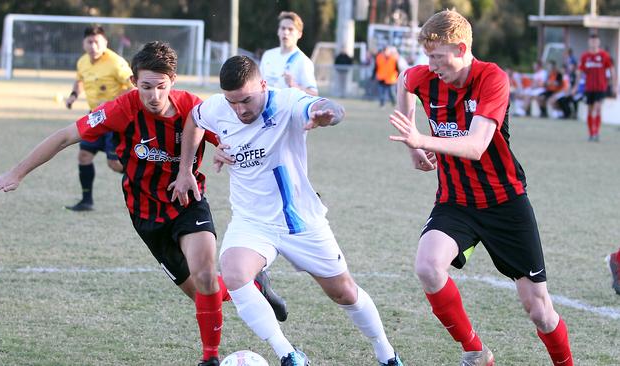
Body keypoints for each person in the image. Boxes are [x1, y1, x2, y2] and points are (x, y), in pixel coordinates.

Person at [0, 41, 286, 366]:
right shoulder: (121, 109)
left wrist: (226, 147)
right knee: (203, 295)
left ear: (173, 81)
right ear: (133, 82)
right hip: (146, 216)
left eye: (161, 86)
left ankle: (209, 358)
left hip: (187, 202)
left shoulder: (193, 109)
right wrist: (17, 173)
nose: (154, 95)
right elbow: (65, 136)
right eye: (146, 87)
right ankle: (252, 283)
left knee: (207, 275)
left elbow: (231, 135)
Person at [171, 55, 404, 366]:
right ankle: (289, 355)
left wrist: (325, 114)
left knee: (344, 292)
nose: (240, 110)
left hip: (300, 221)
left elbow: (332, 108)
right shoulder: (217, 107)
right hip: (252, 221)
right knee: (234, 271)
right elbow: (193, 120)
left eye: (246, 100)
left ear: (264, 85)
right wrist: (186, 169)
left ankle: (386, 352)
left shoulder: (287, 102)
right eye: (232, 102)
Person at [389, 10, 573, 365]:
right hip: (456, 201)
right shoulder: (425, 77)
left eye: (438, 58)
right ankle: (476, 352)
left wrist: (421, 138)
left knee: (539, 309)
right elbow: (404, 81)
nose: (432, 65)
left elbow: (476, 146)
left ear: (460, 49)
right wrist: (414, 150)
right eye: (428, 57)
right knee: (428, 266)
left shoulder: (492, 78)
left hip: (505, 203)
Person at [64, 26, 134, 211]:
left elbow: (132, 86)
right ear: (84, 43)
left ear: (105, 43)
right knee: (84, 155)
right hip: (94, 117)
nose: (93, 46)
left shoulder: (116, 62)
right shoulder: (82, 62)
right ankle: (87, 201)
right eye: (90, 42)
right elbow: (79, 79)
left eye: (97, 42)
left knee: (114, 164)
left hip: (114, 120)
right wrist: (73, 95)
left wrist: (117, 105)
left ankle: (144, 183)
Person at [259, 11, 318, 96]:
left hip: (288, 109)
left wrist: (294, 85)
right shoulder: (268, 55)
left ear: (299, 34)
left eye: (290, 29)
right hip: (266, 108)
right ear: (278, 31)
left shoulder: (304, 61)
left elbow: (314, 94)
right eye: (283, 28)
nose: (286, 32)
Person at [572, 33, 616, 142]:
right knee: (590, 110)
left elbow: (612, 70)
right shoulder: (585, 56)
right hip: (589, 88)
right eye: (592, 41)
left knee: (597, 108)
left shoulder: (604, 55)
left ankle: (596, 132)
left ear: (599, 42)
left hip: (601, 87)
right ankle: (591, 133)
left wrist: (615, 85)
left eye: (596, 41)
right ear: (589, 42)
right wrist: (575, 86)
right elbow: (579, 72)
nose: (594, 43)